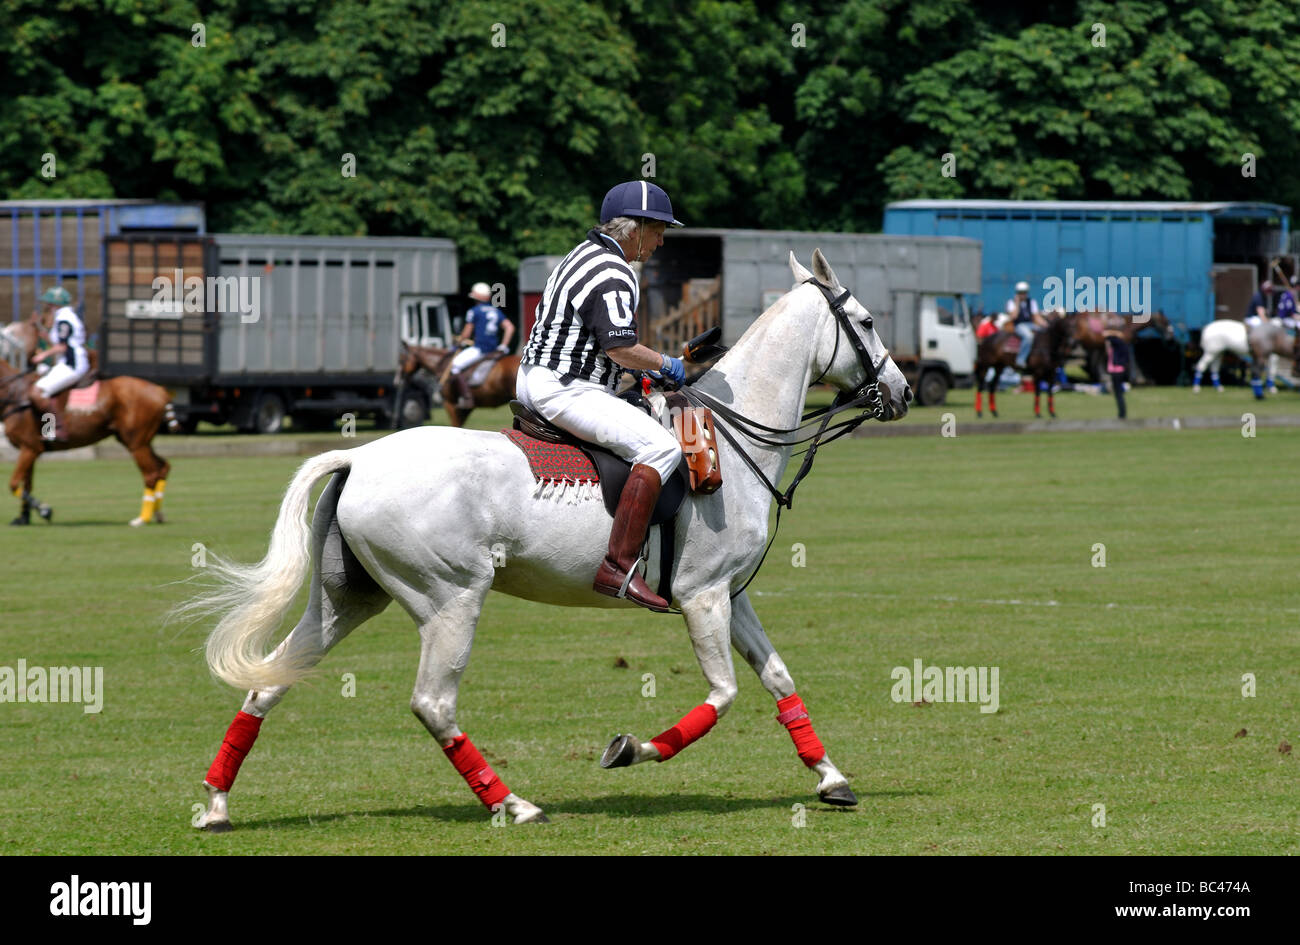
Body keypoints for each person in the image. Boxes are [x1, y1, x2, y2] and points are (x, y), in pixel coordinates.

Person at [516, 180, 687, 612]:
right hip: (567, 388)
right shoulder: (615, 272)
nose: (662, 240)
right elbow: (619, 347)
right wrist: (664, 363)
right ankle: (619, 566)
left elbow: (598, 343)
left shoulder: (580, 254)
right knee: (662, 448)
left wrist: (636, 375)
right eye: (659, 229)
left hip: (538, 376)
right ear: (635, 228)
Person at [28, 286, 90, 442]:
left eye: (49, 303)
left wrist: (43, 355)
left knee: (37, 392)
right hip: (67, 362)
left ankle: (55, 429)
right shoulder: (65, 317)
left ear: (55, 304)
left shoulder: (64, 319)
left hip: (72, 364)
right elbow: (61, 342)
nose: (47, 306)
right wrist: (45, 336)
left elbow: (63, 346)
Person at [451, 283, 514, 409]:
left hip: (480, 349)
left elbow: (467, 333)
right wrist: (504, 345)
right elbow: (510, 327)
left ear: (476, 298)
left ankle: (467, 398)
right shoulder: (496, 310)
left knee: (455, 366)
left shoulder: (474, 311)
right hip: (495, 350)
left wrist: (458, 342)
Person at [1005, 281, 1041, 368]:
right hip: (1018, 325)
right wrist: (1017, 304)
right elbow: (1013, 317)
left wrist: (1046, 325)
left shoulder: (1031, 302)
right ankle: (1020, 359)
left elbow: (1037, 317)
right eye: (1020, 293)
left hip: (1030, 324)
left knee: (1043, 333)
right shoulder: (1011, 302)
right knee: (1029, 336)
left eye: (1024, 292)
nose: (1022, 295)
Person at [1103, 314, 1130, 419]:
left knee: (1118, 393)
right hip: (1118, 369)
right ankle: (1121, 413)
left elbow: (1106, 335)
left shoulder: (1118, 342)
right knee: (1118, 393)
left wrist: (1114, 332)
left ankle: (1122, 414)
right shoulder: (1122, 343)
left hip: (1116, 370)